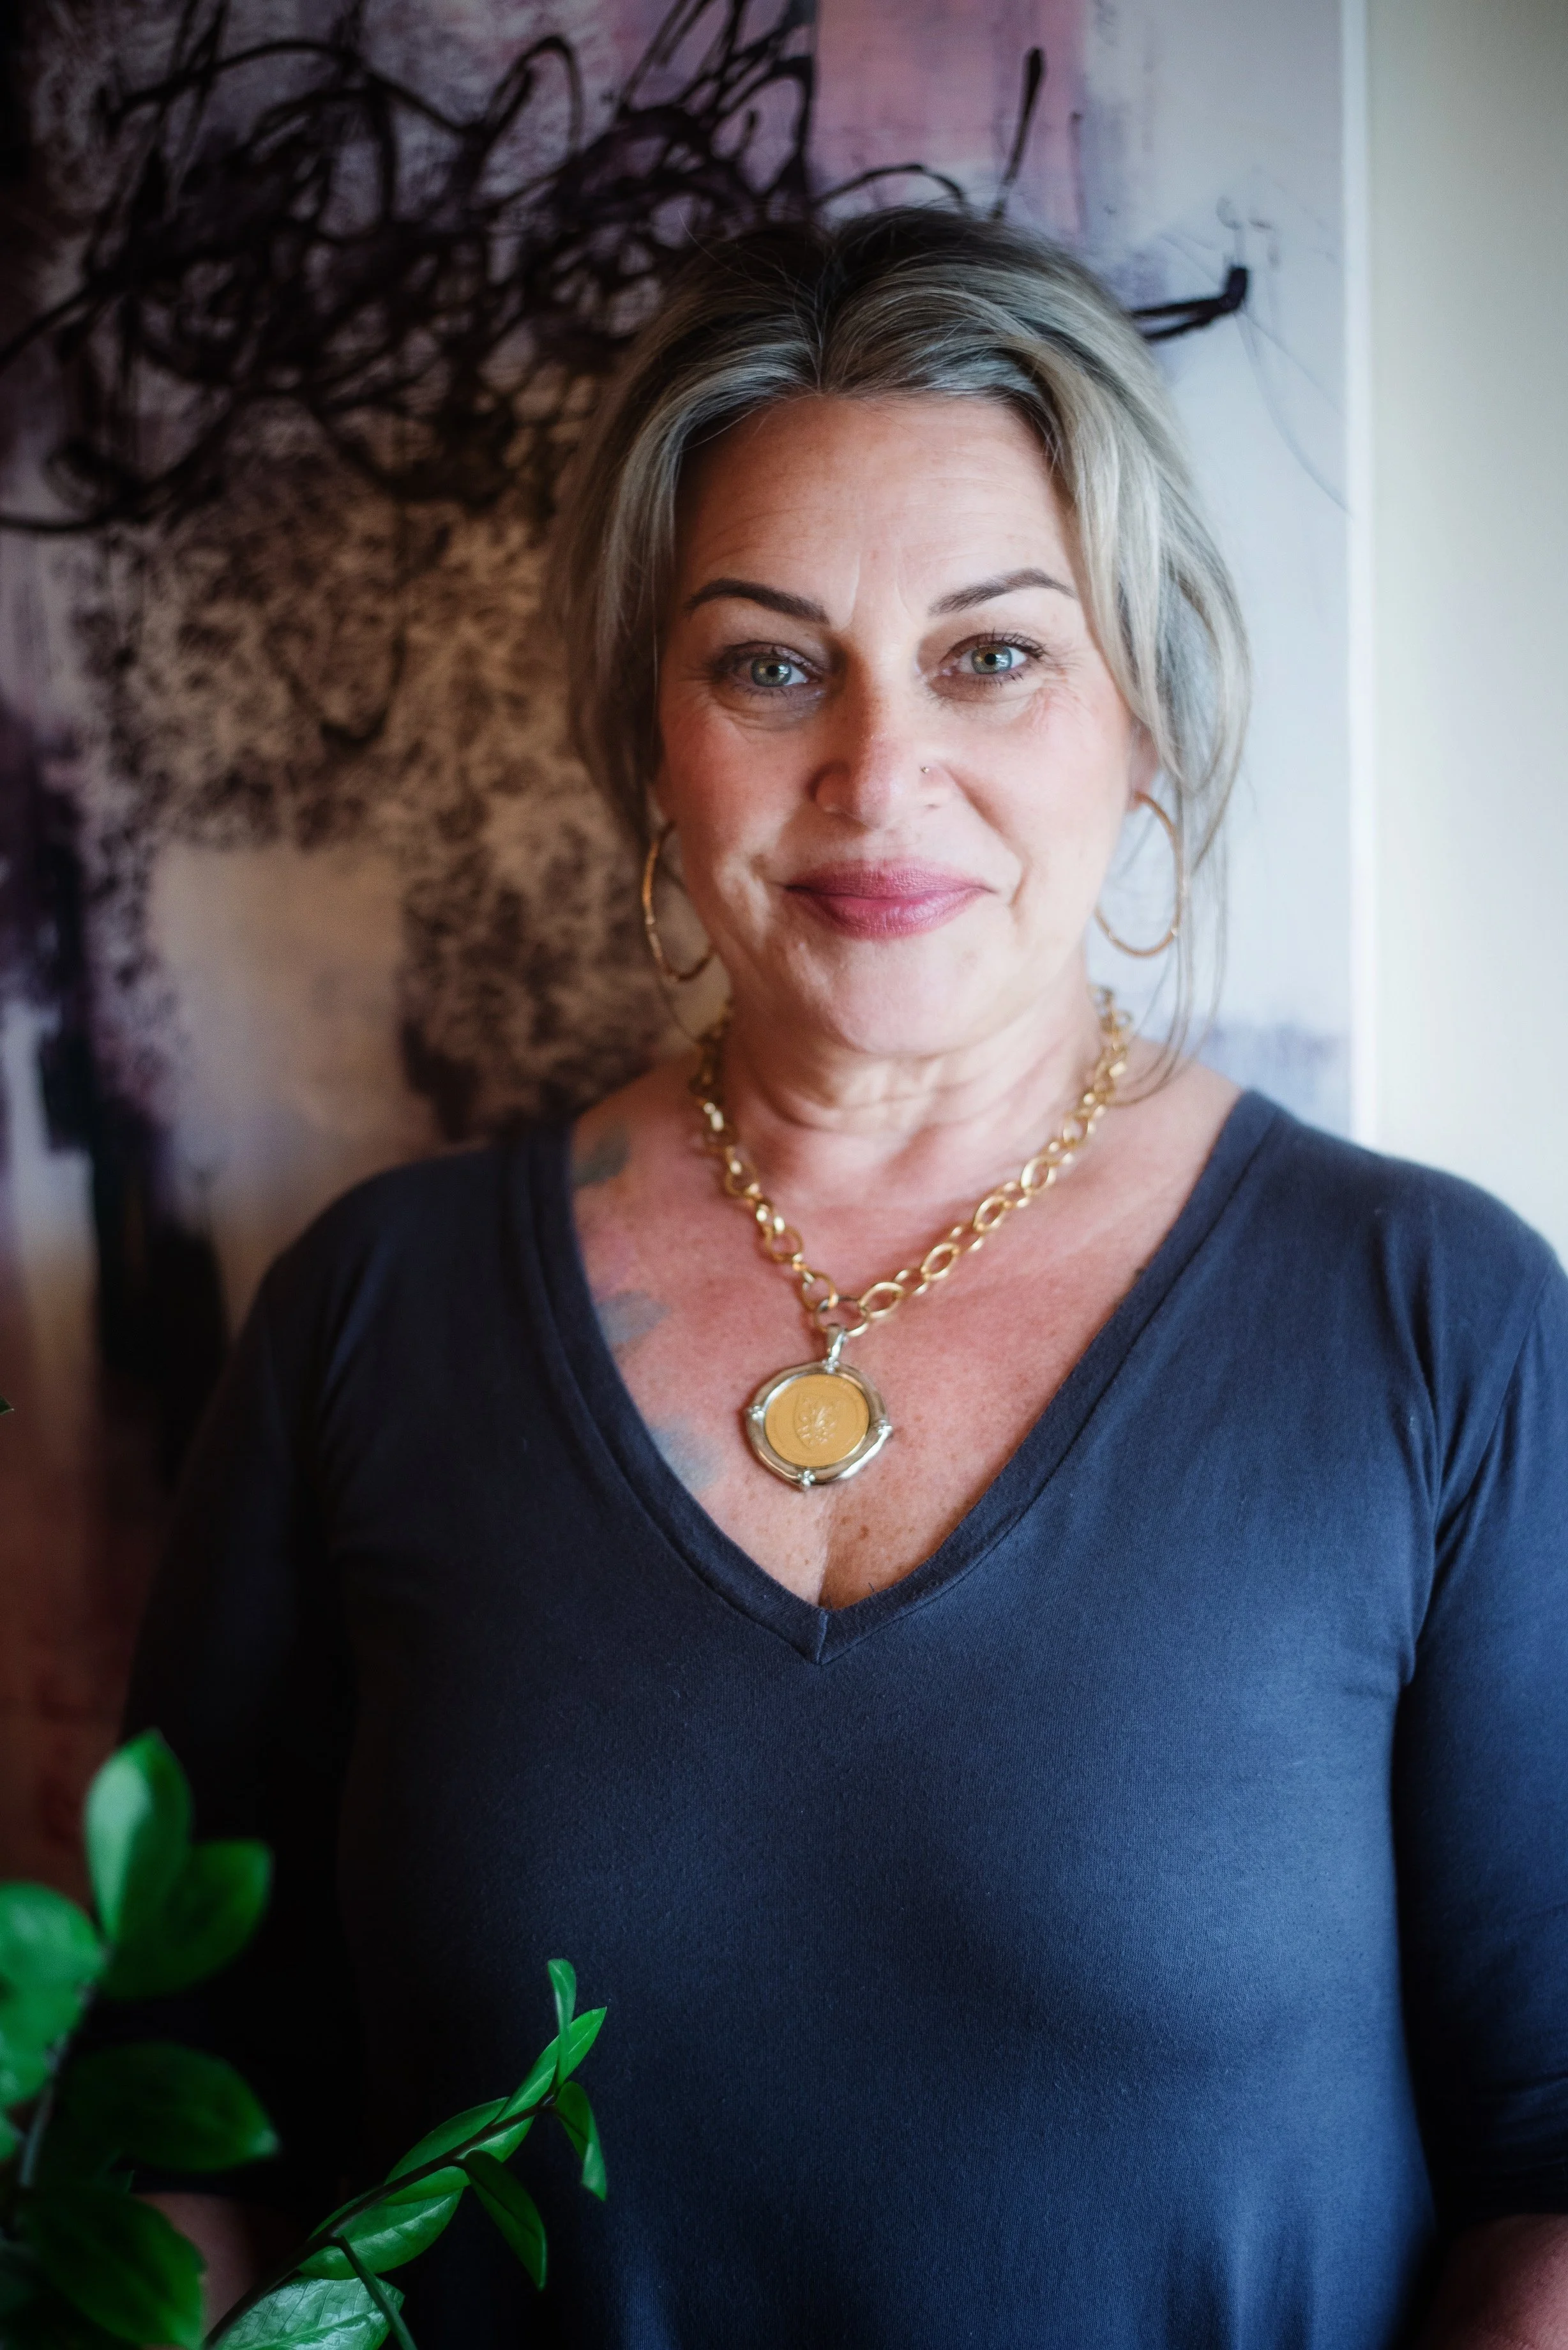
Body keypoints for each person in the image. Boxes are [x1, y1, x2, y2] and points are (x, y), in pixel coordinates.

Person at [130, 210, 1568, 2347]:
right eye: (771, 662)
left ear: (1144, 712)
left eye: (994, 654)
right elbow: (180, 2133)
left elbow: (1554, 2185)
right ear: (657, 734)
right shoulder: (372, 1315)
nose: (878, 776)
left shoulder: (1430, 1318)